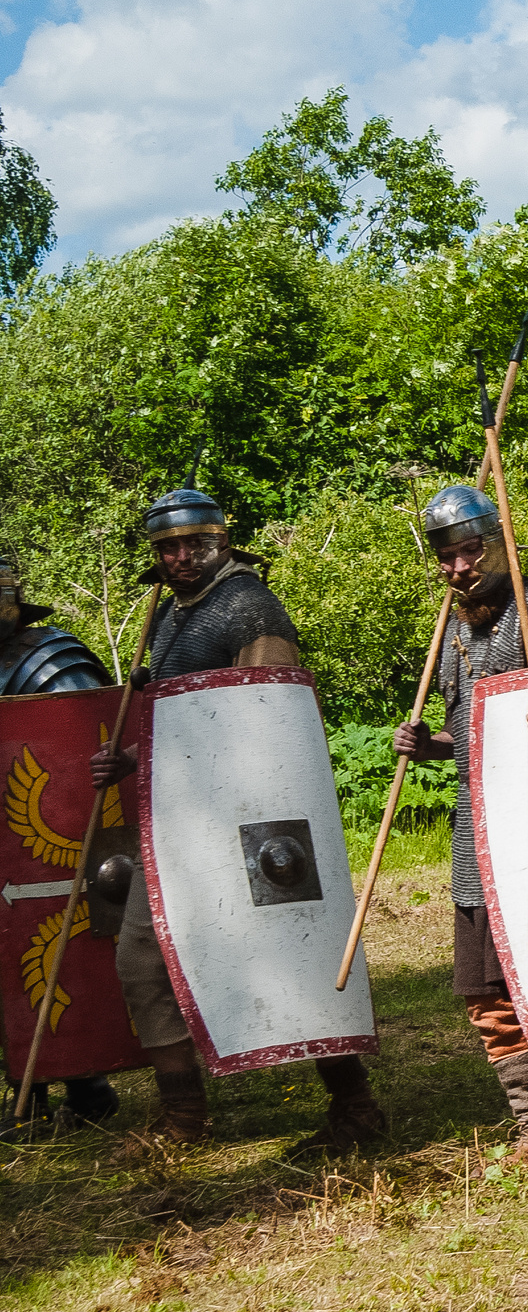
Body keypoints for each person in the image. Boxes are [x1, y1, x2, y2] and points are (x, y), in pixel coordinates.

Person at [89, 489, 388, 1157]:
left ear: (221, 541)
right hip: (178, 822)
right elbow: (186, 728)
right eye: (168, 547)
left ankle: (354, 1102)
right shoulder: (167, 617)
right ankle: (183, 1120)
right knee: (142, 955)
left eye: (194, 543)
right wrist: (132, 759)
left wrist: (156, 760)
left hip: (249, 825)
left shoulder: (247, 605)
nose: (181, 556)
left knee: (291, 958)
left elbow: (265, 720)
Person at [391, 486, 528, 1164]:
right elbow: (469, 734)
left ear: (498, 543)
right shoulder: (452, 631)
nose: (459, 568)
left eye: (469, 551)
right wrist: (430, 745)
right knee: (483, 988)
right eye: (447, 557)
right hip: (477, 833)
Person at [0, 561, 123, 1130]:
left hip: (45, 844)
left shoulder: (49, 663)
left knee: (50, 947)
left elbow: (85, 747)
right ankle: (24, 1093)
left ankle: (84, 1083)